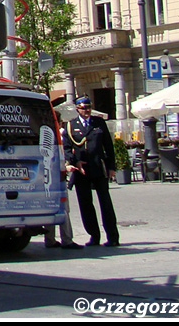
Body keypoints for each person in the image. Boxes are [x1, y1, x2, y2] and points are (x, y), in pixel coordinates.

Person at [63, 96, 120, 247]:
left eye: (88, 108)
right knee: (86, 204)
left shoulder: (99, 123)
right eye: (83, 108)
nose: (86, 111)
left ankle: (113, 237)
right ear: (77, 109)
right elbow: (67, 148)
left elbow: (108, 145)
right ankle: (94, 236)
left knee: (105, 203)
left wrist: (111, 167)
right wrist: (74, 162)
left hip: (98, 166)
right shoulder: (71, 125)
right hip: (81, 170)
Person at [45, 125, 84, 249]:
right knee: (63, 209)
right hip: (57, 178)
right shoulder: (55, 139)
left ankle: (49, 239)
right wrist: (66, 167)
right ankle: (67, 240)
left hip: (46, 179)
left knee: (50, 208)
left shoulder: (44, 136)